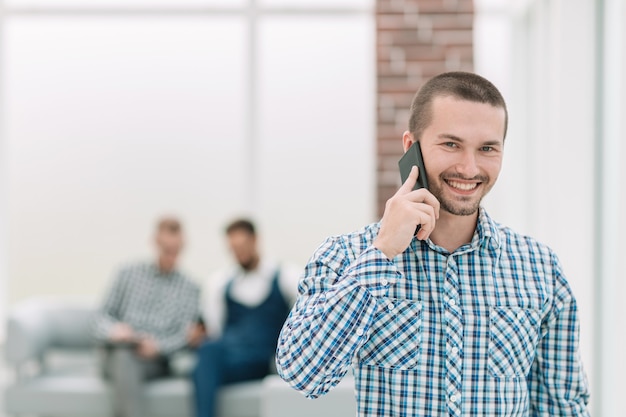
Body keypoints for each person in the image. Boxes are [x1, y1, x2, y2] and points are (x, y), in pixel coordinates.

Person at [275, 72, 590, 416]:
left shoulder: (540, 268)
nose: (469, 168)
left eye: (487, 148)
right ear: (412, 147)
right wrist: (382, 254)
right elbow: (301, 374)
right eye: (451, 144)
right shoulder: (347, 256)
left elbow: (563, 407)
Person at [92, 217, 201, 417]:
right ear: (155, 242)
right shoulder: (127, 273)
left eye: (176, 250)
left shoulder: (190, 288)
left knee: (126, 365)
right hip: (117, 351)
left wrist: (158, 347)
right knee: (123, 356)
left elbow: (184, 337)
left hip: (154, 361)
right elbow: (100, 317)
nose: (171, 255)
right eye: (166, 249)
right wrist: (115, 330)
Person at [190, 218, 299, 417]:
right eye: (233, 249)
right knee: (206, 353)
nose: (238, 254)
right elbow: (215, 329)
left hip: (262, 358)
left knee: (206, 361)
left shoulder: (285, 276)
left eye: (241, 246)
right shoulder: (221, 284)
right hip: (230, 356)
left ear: (255, 240)